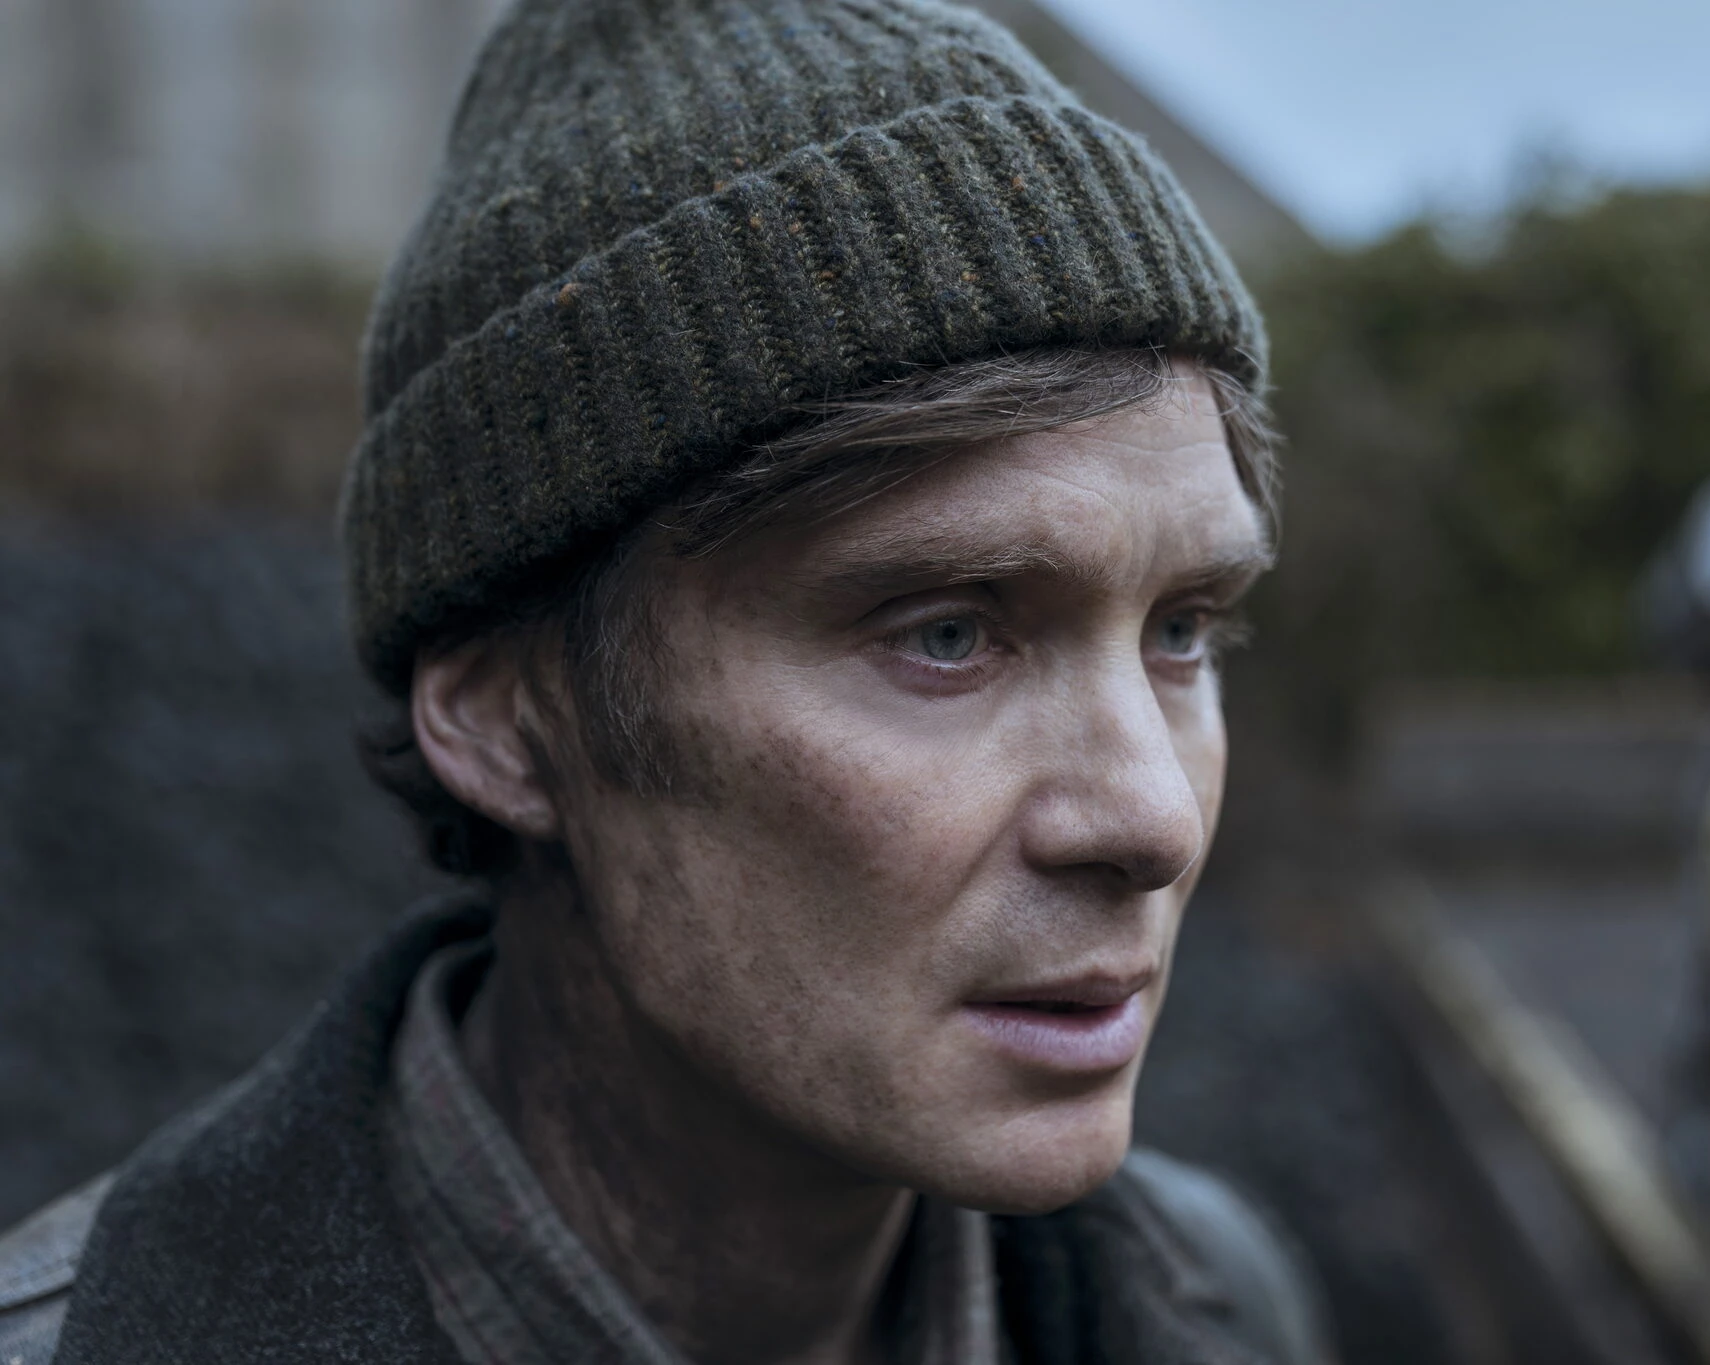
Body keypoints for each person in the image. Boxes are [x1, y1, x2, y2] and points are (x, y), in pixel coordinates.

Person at [0, 2, 1332, 1362]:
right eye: (944, 636)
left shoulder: (1221, 1305)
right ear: (505, 718)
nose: (1153, 820)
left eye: (1183, 631)